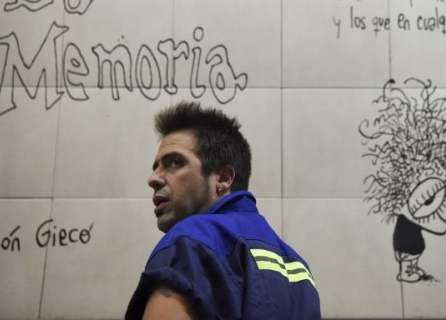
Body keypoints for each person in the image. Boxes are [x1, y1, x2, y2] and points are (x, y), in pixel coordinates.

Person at [126, 101, 321, 319]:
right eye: (156, 167)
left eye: (174, 162)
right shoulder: (297, 267)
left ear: (224, 178)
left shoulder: (189, 241)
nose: (153, 179)